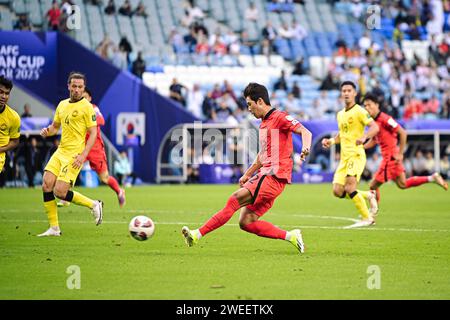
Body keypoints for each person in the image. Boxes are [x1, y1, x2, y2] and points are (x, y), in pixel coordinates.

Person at [181, 83, 312, 254]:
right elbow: (262, 155)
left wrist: (305, 148)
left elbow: (305, 132)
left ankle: (196, 235)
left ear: (259, 101)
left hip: (273, 176)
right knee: (247, 221)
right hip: (270, 178)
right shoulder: (264, 123)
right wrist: (247, 174)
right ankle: (291, 236)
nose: (249, 109)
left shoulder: (279, 117)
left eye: (250, 104)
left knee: (234, 200)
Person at [38, 72, 103, 237]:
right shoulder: (62, 105)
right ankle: (54, 228)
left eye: (80, 87)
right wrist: (48, 131)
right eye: (74, 86)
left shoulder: (87, 107)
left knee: (60, 192)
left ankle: (94, 204)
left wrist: (83, 155)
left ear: (83, 88)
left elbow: (93, 133)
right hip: (61, 151)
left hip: (75, 155)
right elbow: (55, 127)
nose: (76, 90)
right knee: (46, 184)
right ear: (68, 86)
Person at [363, 93, 447, 203]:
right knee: (403, 184)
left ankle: (372, 213)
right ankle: (432, 178)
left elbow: (402, 133)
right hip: (392, 158)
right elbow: (374, 140)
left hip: (390, 158)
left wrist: (400, 153)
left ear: (377, 105)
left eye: (369, 105)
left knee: (373, 186)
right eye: (365, 106)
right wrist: (361, 147)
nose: (367, 108)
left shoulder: (385, 119)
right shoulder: (374, 122)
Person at [321, 81, 379, 229]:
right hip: (344, 158)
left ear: (354, 93)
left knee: (350, 188)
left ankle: (367, 218)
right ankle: (368, 195)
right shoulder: (340, 114)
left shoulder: (359, 111)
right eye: (344, 91)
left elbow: (375, 126)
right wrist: (332, 141)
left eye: (349, 90)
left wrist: (365, 137)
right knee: (337, 191)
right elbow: (342, 134)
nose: (346, 93)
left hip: (356, 155)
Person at [58, 88, 125, 208]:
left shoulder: (93, 108)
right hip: (80, 147)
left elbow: (101, 120)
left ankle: (119, 191)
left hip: (95, 148)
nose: (83, 99)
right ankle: (66, 198)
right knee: (72, 168)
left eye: (86, 97)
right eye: (81, 97)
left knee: (104, 178)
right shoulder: (75, 109)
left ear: (90, 98)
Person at [0, 76, 21, 177]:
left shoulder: (14, 117)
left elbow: (15, 141)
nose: (3, 96)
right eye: (1, 92)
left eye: (7, 93)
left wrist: (0, 149)